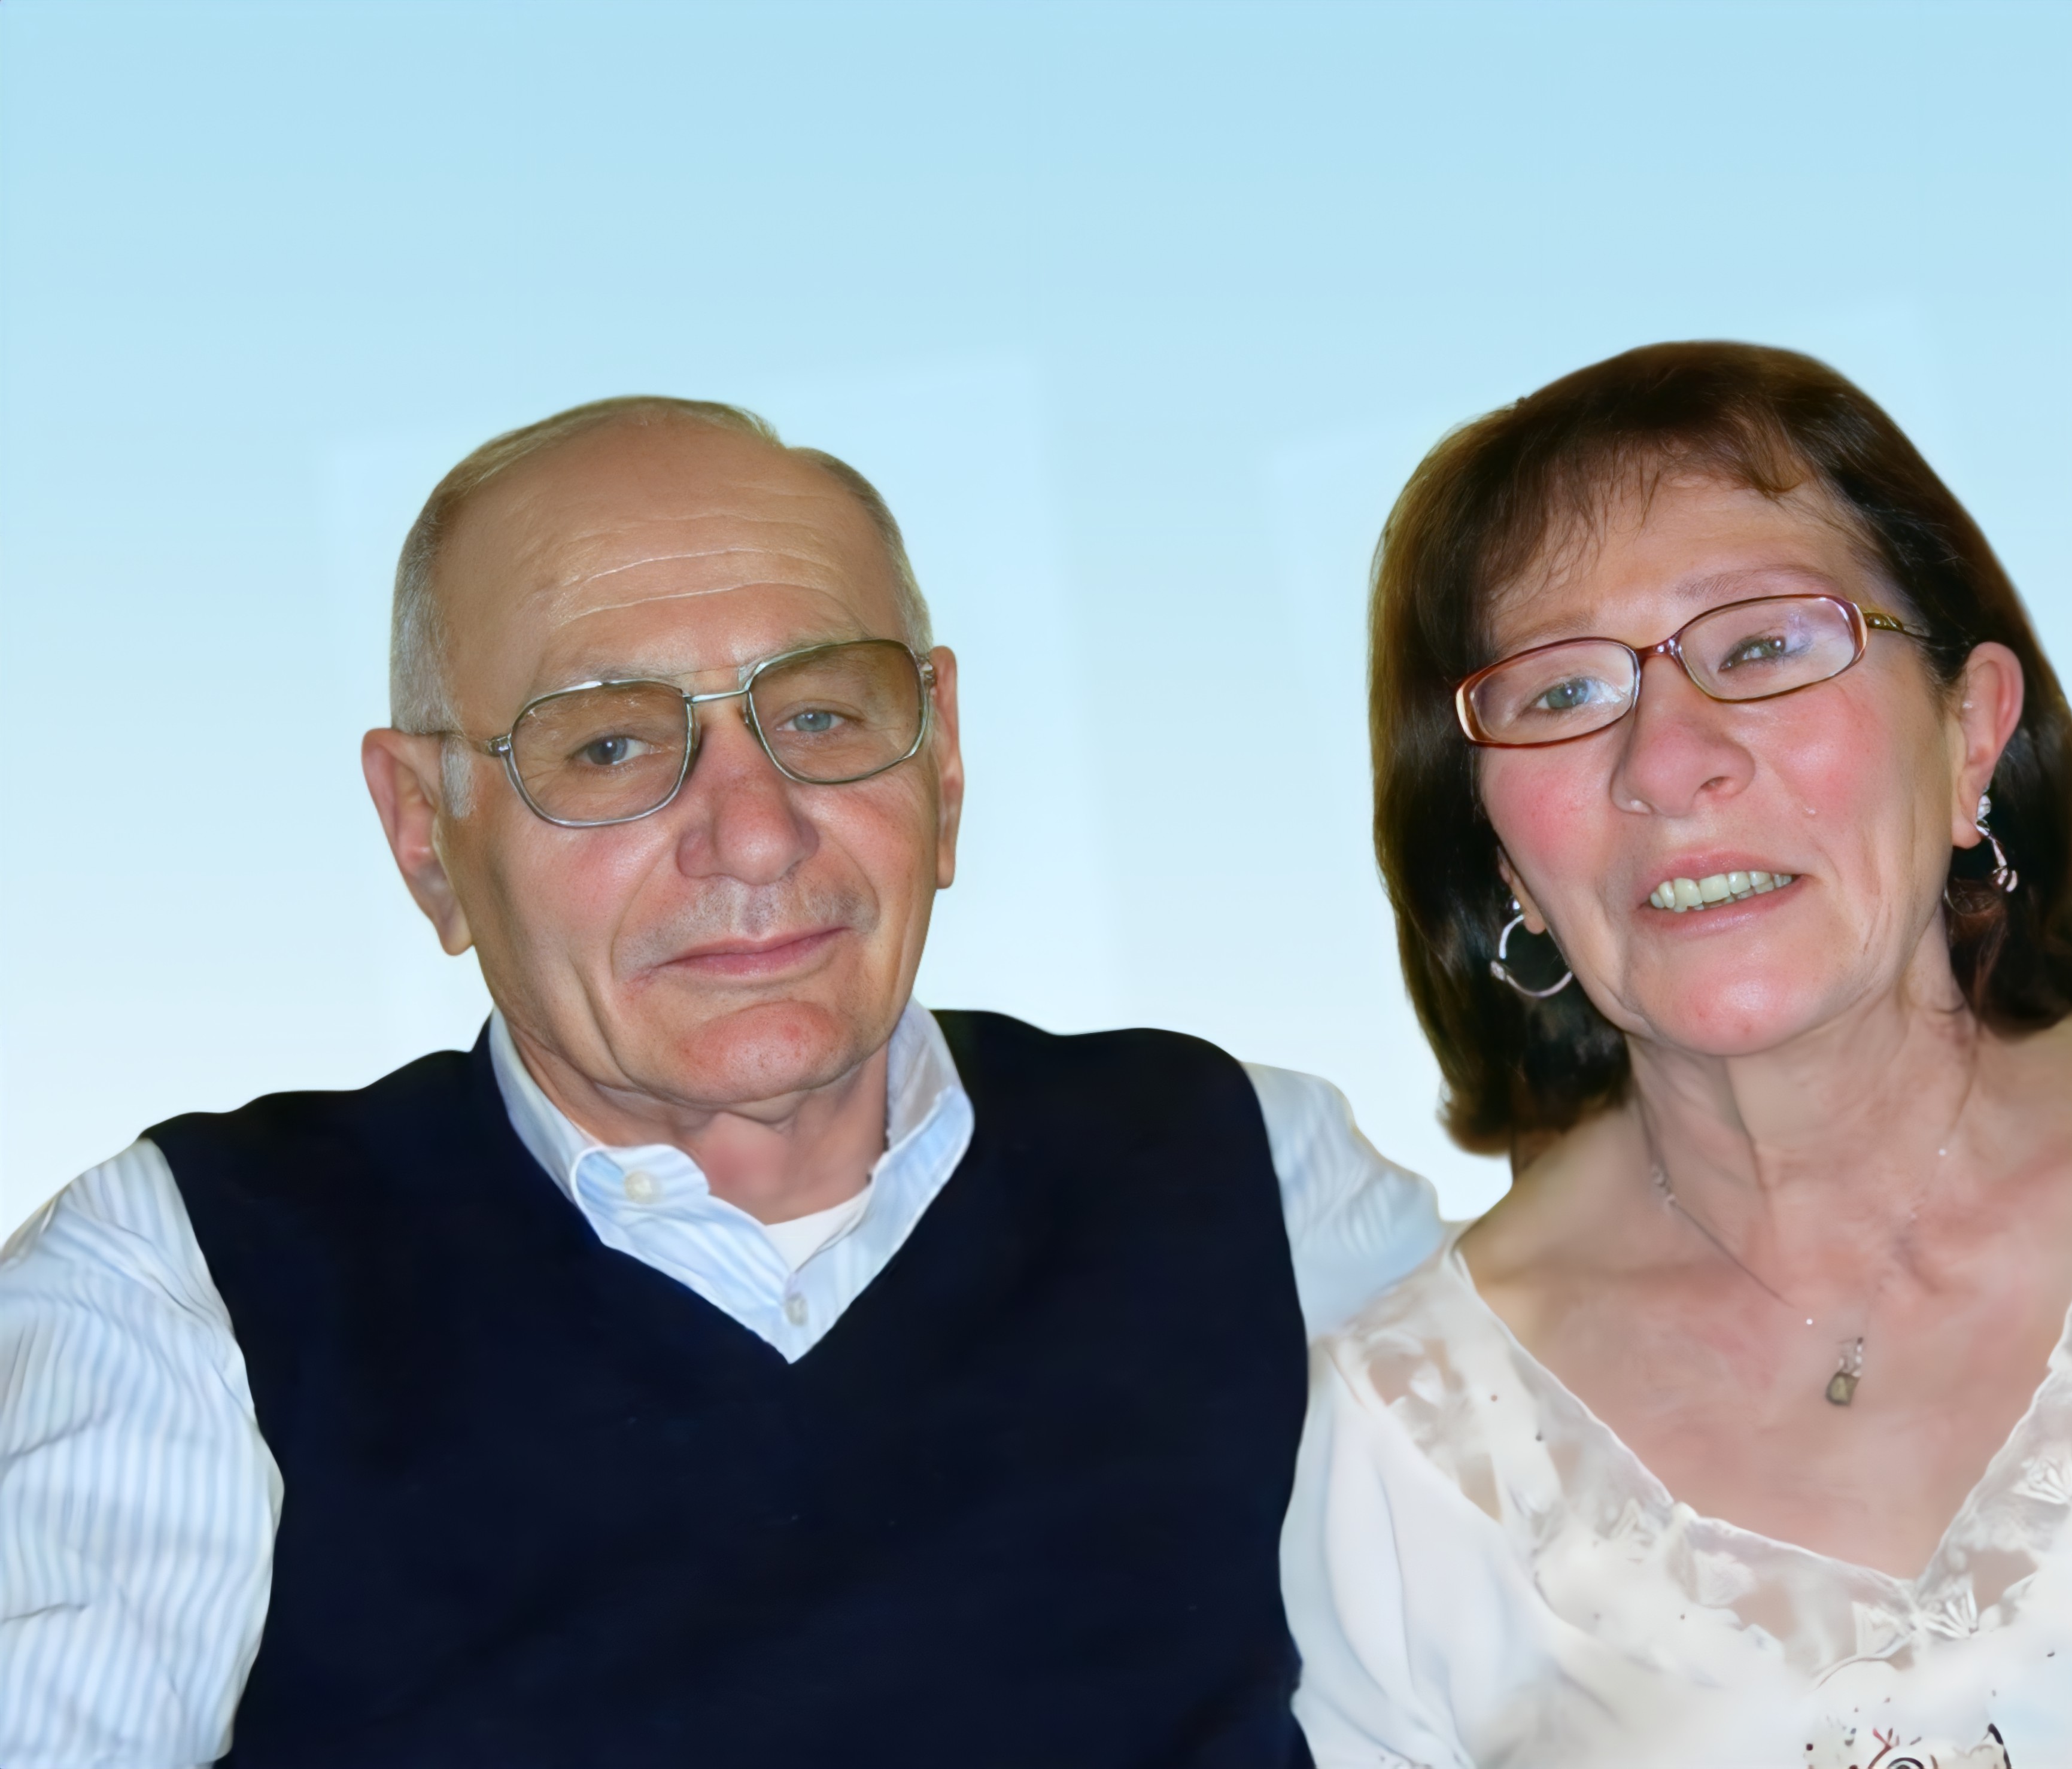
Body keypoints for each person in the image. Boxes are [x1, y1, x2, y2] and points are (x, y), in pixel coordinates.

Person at [0, 396, 1442, 1767]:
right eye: (608, 744)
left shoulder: (1253, 1173)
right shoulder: (183, 1280)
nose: (753, 833)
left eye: (820, 716)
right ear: (427, 831)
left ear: (942, 758)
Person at [1281, 343, 2072, 1768]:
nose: (1666, 761)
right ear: (1502, 860)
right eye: (1561, 693)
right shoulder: (1398, 1455)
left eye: (1761, 647)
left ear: (1970, 732)